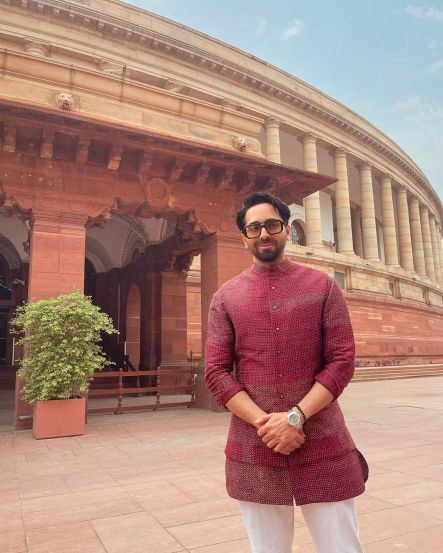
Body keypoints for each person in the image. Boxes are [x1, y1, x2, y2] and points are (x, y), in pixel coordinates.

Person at [205, 191, 368, 553]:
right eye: (254, 227)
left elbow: (342, 361)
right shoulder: (226, 296)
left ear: (286, 228)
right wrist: (270, 425)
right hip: (256, 445)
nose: (264, 233)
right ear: (243, 237)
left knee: (342, 547)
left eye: (272, 224)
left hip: (323, 438)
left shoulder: (323, 286)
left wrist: (295, 418)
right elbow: (216, 372)